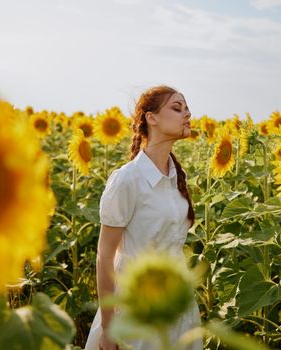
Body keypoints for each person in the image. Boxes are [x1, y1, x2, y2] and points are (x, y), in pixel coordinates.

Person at [84, 86, 203, 350]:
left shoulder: (175, 178)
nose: (188, 114)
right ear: (152, 118)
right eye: (177, 107)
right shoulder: (128, 180)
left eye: (187, 108)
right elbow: (105, 256)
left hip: (177, 305)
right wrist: (108, 326)